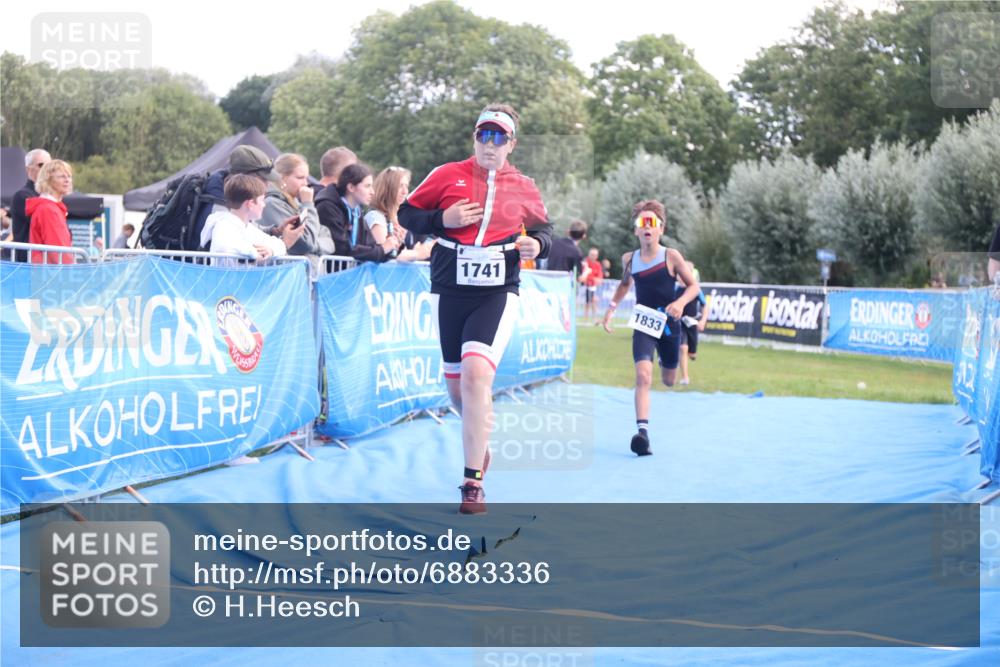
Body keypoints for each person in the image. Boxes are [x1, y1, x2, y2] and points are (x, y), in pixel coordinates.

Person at [398, 103, 551, 514]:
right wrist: (441, 218)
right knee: (457, 389)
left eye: (499, 137)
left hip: (497, 291)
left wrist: (538, 245)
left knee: (476, 371)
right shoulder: (447, 174)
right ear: (474, 138)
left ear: (511, 144)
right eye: (484, 134)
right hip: (448, 289)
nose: (490, 143)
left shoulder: (523, 185)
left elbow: (543, 231)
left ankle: (472, 483)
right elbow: (407, 214)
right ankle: (479, 439)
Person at [601, 200, 700, 456]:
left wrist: (679, 303)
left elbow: (694, 287)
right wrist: (611, 309)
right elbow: (624, 285)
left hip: (669, 323)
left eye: (652, 223)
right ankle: (642, 434)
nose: (647, 227)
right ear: (636, 230)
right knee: (643, 376)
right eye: (642, 223)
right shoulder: (629, 259)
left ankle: (667, 362)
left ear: (660, 229)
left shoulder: (671, 256)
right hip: (644, 322)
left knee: (668, 380)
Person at [199, 173, 304, 266]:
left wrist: (274, 246)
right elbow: (225, 248)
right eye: (262, 200)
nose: (264, 205)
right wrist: (256, 253)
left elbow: (268, 241)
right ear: (250, 204)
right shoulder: (224, 226)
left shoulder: (244, 226)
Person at [318, 163, 399, 261]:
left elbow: (369, 244)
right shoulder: (327, 207)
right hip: (329, 273)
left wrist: (391, 246)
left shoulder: (356, 210)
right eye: (367, 186)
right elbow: (342, 249)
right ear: (351, 187)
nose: (372, 192)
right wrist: (382, 250)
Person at [258, 153, 333, 259]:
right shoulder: (272, 204)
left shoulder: (297, 203)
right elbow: (305, 243)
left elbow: (327, 237)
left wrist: (313, 245)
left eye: (306, 178)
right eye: (300, 178)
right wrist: (308, 204)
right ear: (282, 178)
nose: (305, 183)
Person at [365, 166, 433, 262]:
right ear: (387, 188)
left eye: (406, 186)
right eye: (400, 186)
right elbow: (386, 256)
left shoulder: (404, 218)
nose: (405, 191)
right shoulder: (376, 217)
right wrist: (416, 254)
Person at [26, 159, 76, 264]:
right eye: (62, 176)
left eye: (69, 176)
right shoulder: (48, 210)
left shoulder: (50, 208)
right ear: (48, 180)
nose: (67, 180)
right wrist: (71, 274)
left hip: (48, 273)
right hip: (51, 275)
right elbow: (57, 252)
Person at [11, 148, 51, 261]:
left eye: (50, 166)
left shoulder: (50, 197)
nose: (47, 170)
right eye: (41, 165)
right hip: (28, 264)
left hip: (47, 264)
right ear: (28, 169)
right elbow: (44, 226)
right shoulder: (22, 196)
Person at [677, 262, 709, 386]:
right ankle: (685, 378)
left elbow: (705, 305)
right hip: (679, 323)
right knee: (682, 348)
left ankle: (692, 354)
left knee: (691, 353)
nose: (679, 277)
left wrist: (703, 321)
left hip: (692, 323)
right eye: (678, 274)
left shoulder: (695, 290)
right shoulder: (676, 290)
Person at [583, 247, 603, 320]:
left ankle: (594, 317)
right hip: (586, 286)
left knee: (594, 301)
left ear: (597, 256)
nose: (593, 256)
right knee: (588, 303)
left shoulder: (598, 264)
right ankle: (586, 318)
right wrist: (594, 279)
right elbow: (585, 275)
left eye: (595, 255)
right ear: (589, 255)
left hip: (594, 286)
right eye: (592, 254)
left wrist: (597, 279)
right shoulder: (585, 262)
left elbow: (600, 275)